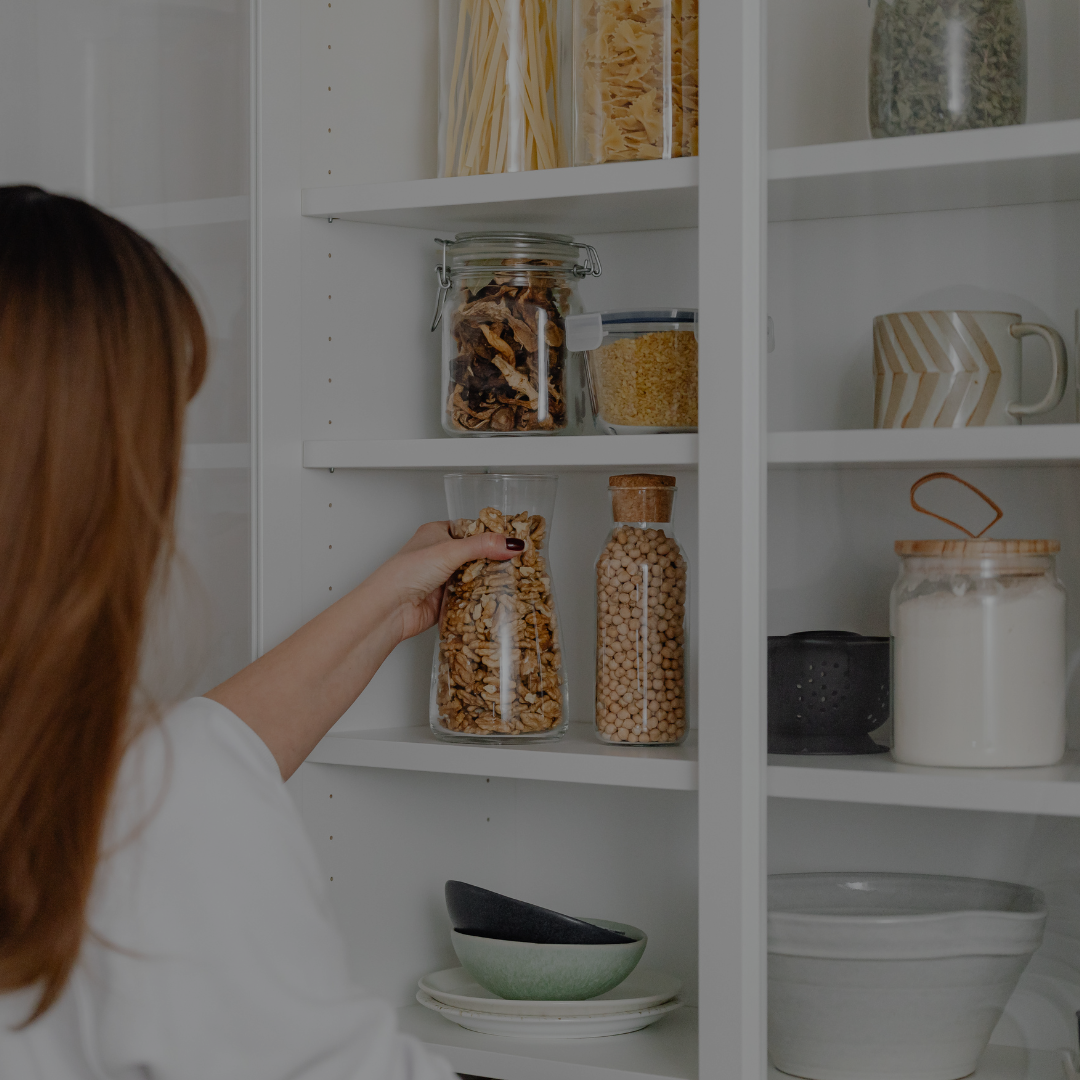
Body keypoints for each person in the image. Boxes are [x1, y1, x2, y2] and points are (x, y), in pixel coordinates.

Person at [0, 185, 525, 1077]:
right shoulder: (161, 814)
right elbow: (160, 794)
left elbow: (173, 760)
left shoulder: (132, 788)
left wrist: (384, 607)